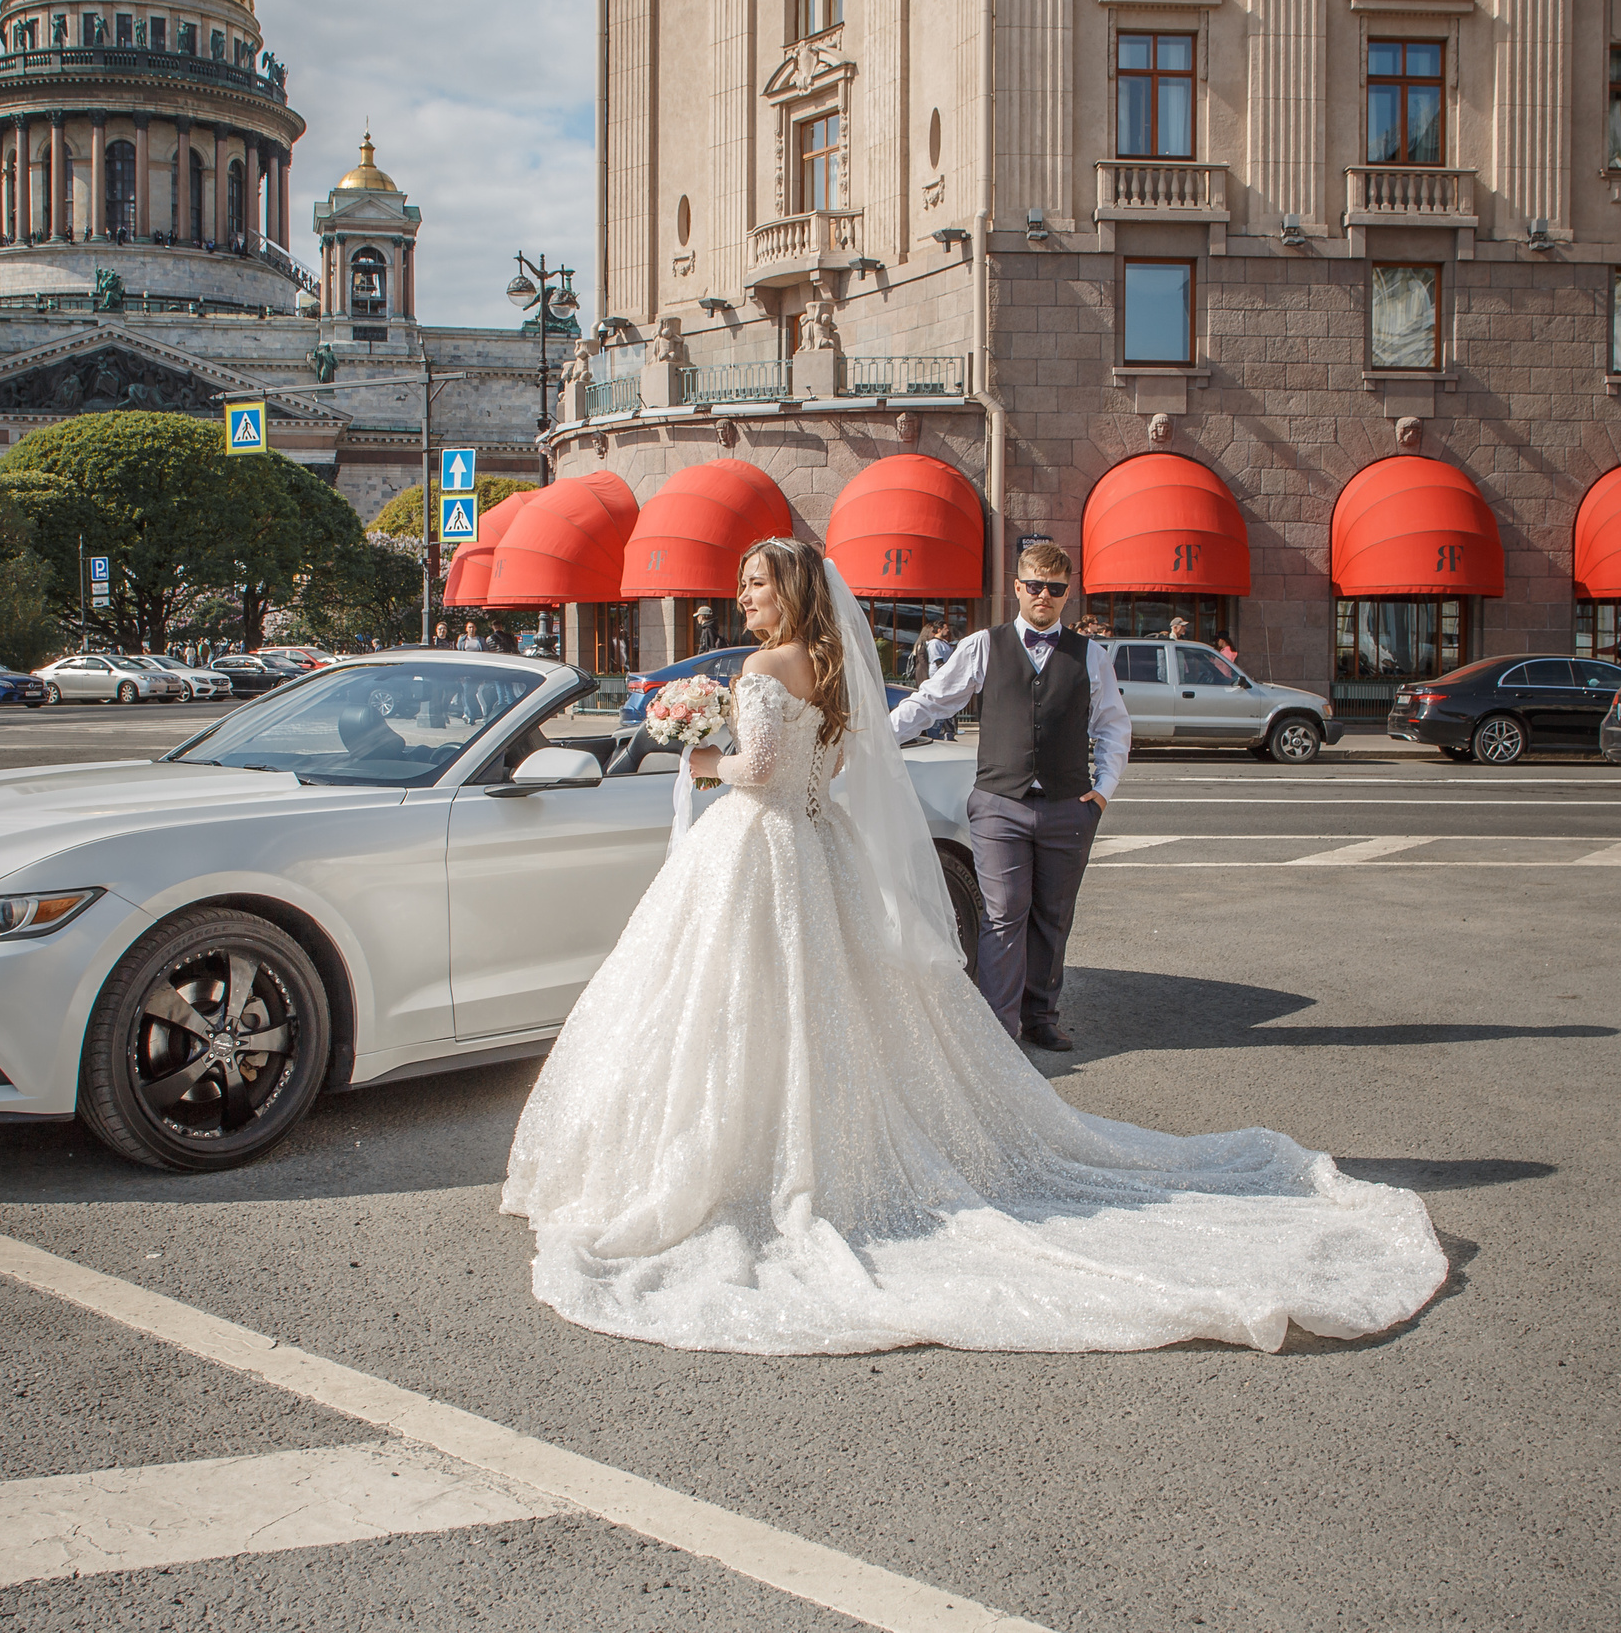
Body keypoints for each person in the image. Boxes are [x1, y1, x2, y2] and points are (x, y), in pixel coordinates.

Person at [501, 535, 1445, 1356]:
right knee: (820, 1006)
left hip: (760, 849)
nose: (742, 597)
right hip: (817, 851)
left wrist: (696, 752)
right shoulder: (827, 669)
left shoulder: (759, 672)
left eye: (754, 585)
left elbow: (758, 771)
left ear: (787, 592)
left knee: (737, 1006)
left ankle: (751, 1160)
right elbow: (832, 763)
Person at [889, 541, 1131, 1051]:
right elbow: (933, 701)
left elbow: (1112, 726)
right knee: (1004, 915)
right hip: (1000, 804)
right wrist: (875, 738)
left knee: (1053, 916)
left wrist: (1102, 792)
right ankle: (999, 1027)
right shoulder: (983, 645)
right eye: (1035, 585)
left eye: (1056, 588)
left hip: (1068, 805)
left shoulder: (1092, 655)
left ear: (1068, 593)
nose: (1044, 595)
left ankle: (1040, 1015)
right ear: (1018, 587)